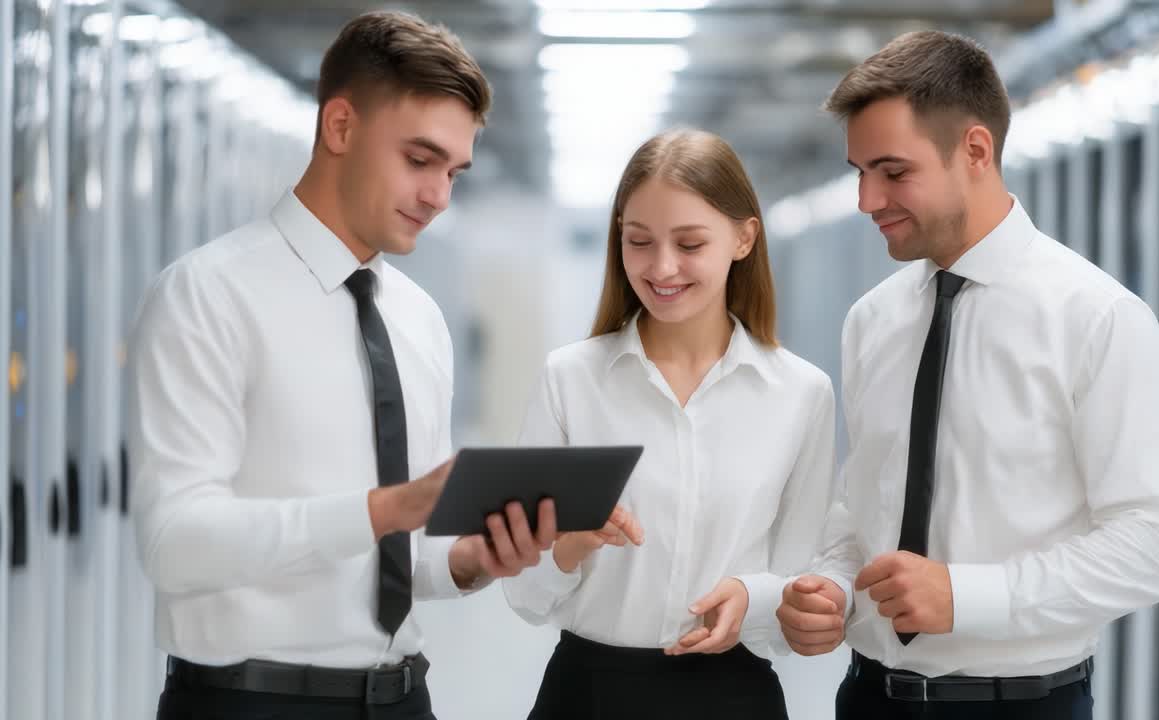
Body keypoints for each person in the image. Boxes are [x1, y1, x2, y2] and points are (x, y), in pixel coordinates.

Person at [128, 11, 554, 719]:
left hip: (403, 699)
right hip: (249, 704)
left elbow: (401, 557)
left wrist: (470, 561)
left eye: (453, 171)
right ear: (340, 128)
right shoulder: (208, 294)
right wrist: (387, 508)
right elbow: (173, 544)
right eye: (419, 161)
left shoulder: (419, 320)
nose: (438, 196)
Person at [774, 30, 1159, 720]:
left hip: (1022, 706)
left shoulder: (1097, 317)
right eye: (859, 172)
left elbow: (1153, 544)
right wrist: (831, 587)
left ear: (974, 150)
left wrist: (967, 596)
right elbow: (865, 506)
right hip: (869, 698)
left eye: (892, 171)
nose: (866, 200)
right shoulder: (871, 321)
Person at [502, 128, 837, 720]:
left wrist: (753, 599)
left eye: (689, 243)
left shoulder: (800, 394)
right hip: (587, 695)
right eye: (639, 242)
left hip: (734, 696)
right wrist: (567, 546)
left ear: (743, 237)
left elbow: (800, 576)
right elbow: (524, 596)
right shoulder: (569, 379)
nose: (661, 268)